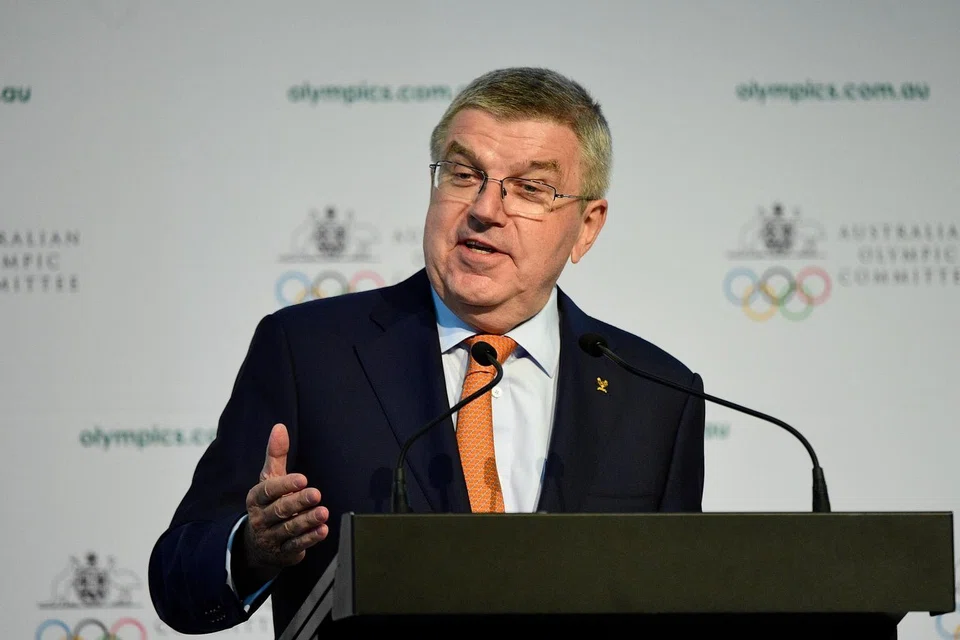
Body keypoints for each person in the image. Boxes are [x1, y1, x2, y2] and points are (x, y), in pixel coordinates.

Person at [148, 67, 705, 636]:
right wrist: (252, 547)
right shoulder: (309, 353)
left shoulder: (655, 394)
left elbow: (680, 599)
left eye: (530, 189)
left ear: (587, 226)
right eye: (464, 175)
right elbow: (177, 578)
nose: (486, 209)